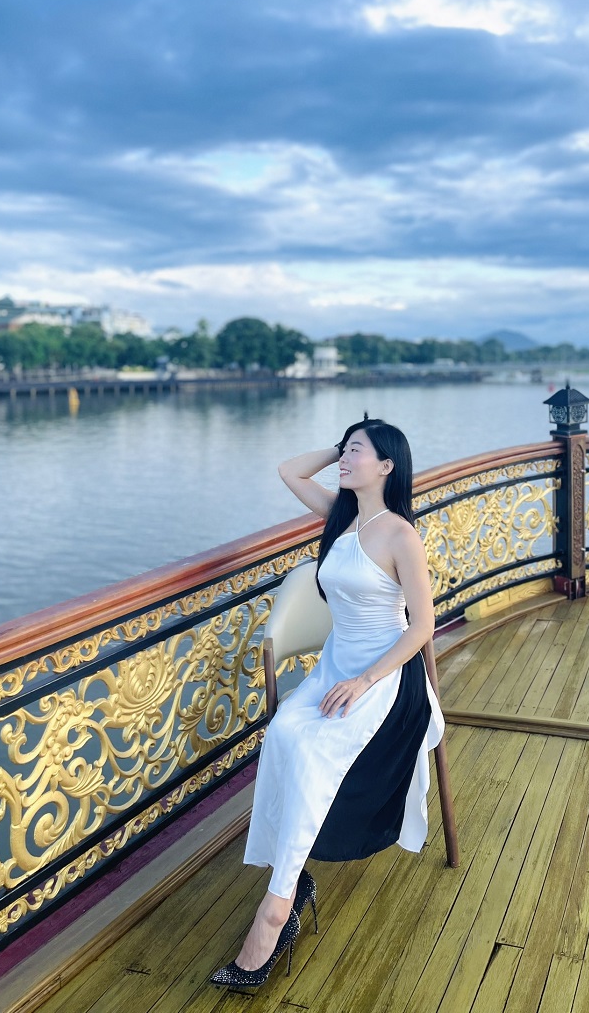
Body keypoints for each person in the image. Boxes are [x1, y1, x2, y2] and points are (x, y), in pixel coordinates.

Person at [211, 416, 445, 991]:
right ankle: (293, 880)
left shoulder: (400, 535)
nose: (344, 458)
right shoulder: (342, 516)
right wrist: (342, 448)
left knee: (313, 748)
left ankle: (276, 908)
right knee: (283, 735)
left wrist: (365, 681)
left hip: (386, 675)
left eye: (356, 451)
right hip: (334, 667)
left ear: (387, 465)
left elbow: (422, 627)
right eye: (344, 449)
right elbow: (289, 470)